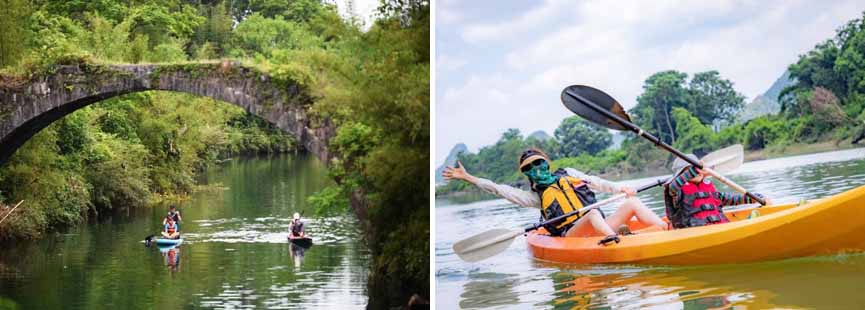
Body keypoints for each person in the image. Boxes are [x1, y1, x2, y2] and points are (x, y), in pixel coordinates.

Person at [443, 148, 667, 242]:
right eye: (530, 167)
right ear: (526, 173)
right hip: (572, 235)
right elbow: (500, 189)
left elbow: (598, 183)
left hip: (597, 223)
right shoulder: (535, 197)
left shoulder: (569, 174)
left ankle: (667, 231)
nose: (536, 169)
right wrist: (469, 178)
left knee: (632, 202)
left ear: (546, 162)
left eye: (539, 163)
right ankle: (617, 241)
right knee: (591, 215)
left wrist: (621, 189)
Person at [664, 154, 772, 229]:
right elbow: (673, 186)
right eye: (690, 169)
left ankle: (749, 223)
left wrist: (757, 198)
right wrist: (694, 170)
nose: (696, 171)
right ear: (681, 174)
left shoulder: (712, 192)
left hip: (720, 227)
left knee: (755, 210)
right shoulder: (677, 192)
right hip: (695, 232)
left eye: (698, 167)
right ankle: (749, 224)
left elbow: (734, 199)